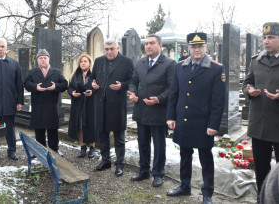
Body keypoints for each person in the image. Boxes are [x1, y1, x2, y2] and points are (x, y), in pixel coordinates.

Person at [166, 32, 226, 204]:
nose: (197, 49)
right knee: (185, 155)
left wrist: (214, 124)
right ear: (189, 48)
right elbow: (173, 93)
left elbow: (218, 100)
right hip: (184, 119)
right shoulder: (180, 67)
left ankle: (207, 193)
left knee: (205, 158)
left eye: (200, 46)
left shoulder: (216, 68)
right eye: (193, 46)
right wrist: (170, 116)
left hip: (203, 123)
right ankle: (184, 186)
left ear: (206, 47)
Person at [242, 22, 279, 200]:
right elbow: (246, 83)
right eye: (264, 37)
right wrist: (249, 91)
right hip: (259, 126)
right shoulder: (257, 60)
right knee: (261, 169)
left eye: (270, 37)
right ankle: (262, 198)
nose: (265, 41)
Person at [128, 34, 175, 187]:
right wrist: (133, 94)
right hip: (141, 110)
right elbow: (133, 82)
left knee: (159, 145)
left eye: (152, 43)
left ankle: (158, 173)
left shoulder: (169, 64)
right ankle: (143, 171)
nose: (148, 46)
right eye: (146, 43)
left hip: (159, 112)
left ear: (160, 46)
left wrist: (159, 99)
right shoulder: (140, 62)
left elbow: (172, 88)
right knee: (142, 143)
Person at [88, 39, 134, 177]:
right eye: (106, 49)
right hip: (100, 103)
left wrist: (123, 86)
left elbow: (133, 80)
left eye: (112, 49)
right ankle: (105, 160)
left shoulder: (126, 62)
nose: (109, 52)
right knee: (103, 135)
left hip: (117, 104)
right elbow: (91, 77)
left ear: (117, 48)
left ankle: (120, 164)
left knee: (119, 136)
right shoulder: (98, 61)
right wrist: (92, 84)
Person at [24, 49, 68, 155]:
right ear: (37, 60)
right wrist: (35, 87)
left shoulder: (56, 72)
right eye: (41, 58)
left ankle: (54, 149)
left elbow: (64, 84)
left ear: (48, 59)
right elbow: (26, 84)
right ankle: (40, 150)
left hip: (51, 105)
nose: (43, 60)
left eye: (45, 58)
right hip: (38, 106)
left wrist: (55, 87)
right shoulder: (32, 72)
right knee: (39, 129)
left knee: (52, 128)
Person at [67, 53, 97, 158]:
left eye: (85, 61)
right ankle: (83, 147)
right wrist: (72, 93)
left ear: (89, 63)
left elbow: (99, 87)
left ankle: (92, 148)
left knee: (91, 125)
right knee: (79, 126)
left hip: (90, 104)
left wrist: (92, 92)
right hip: (78, 104)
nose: (83, 63)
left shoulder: (94, 74)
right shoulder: (75, 74)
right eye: (81, 61)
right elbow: (70, 87)